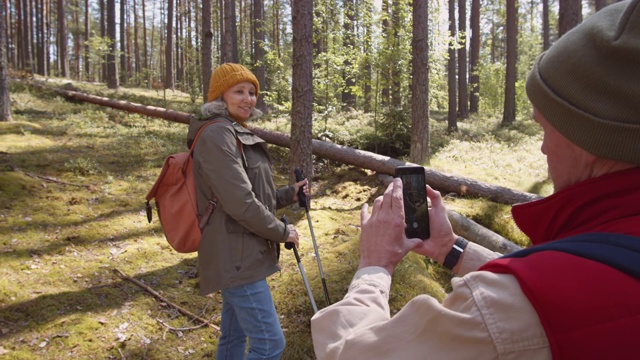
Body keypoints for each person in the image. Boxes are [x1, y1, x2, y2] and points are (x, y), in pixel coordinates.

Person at [310, 1, 640, 359]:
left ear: (592, 139)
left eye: (546, 127)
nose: (544, 148)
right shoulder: (608, 251)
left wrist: (374, 265)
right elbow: (567, 280)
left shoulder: (498, 315)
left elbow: (349, 354)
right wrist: (448, 248)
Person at [187, 63, 309, 360]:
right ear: (220, 97)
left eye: (252, 92)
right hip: (236, 255)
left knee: (232, 338)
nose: (248, 98)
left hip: (241, 251)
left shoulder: (234, 131)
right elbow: (240, 201)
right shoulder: (217, 135)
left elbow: (252, 194)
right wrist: (283, 231)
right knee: (269, 345)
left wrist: (288, 194)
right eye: (238, 91)